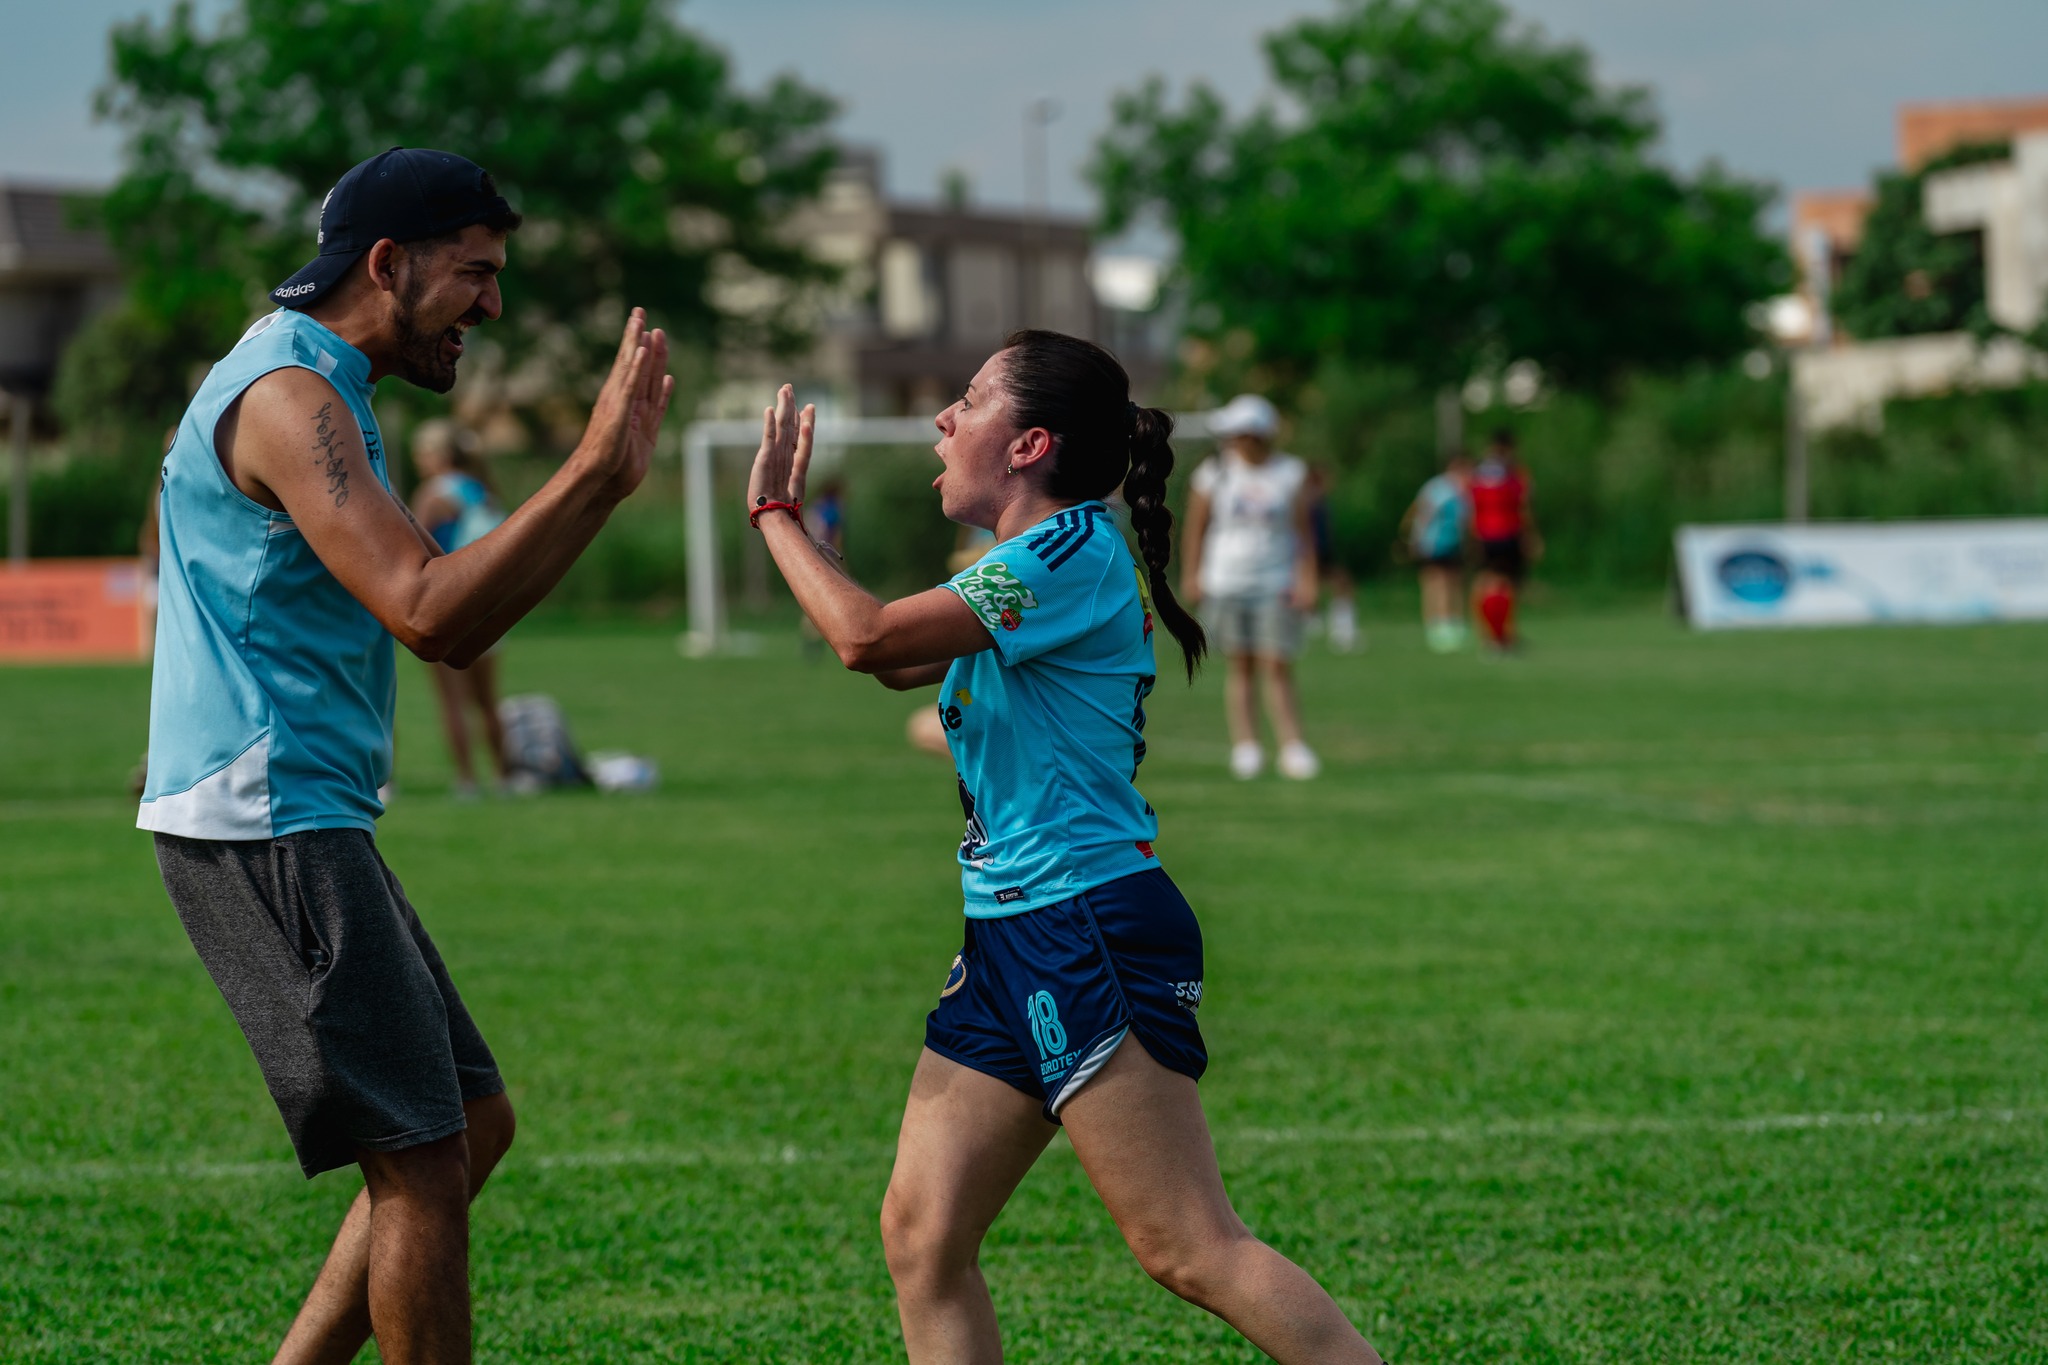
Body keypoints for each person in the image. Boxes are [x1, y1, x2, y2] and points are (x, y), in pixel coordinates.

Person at [743, 333, 1383, 1365]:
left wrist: (775, 516)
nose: (942, 420)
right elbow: (896, 661)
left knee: (1187, 1247)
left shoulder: (1069, 549)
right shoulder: (1028, 561)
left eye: (966, 401)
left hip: (1084, 921)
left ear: (1029, 442)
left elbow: (864, 639)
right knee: (920, 1235)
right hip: (1011, 932)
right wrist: (804, 536)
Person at [136, 147, 672, 1365]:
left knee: (467, 1125)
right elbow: (428, 611)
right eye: (475, 275)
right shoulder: (288, 399)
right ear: (387, 264)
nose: (492, 305)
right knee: (423, 1160)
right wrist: (587, 471)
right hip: (264, 815)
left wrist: (600, 488)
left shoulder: (325, 389)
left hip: (295, 812)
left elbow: (453, 615)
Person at [1179, 394, 1320, 780]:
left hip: (1274, 579)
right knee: (1240, 664)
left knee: (1277, 663)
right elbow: (1196, 528)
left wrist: (1307, 578)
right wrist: (1192, 574)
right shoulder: (1214, 473)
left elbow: (1304, 534)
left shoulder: (1290, 472)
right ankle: (1247, 746)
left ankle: (1292, 746)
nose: (1235, 442)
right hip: (1225, 579)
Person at [409, 421, 510, 799]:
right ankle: (503, 776)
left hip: (450, 605)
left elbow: (413, 544)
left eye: (423, 452)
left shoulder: (434, 494)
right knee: (488, 701)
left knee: (452, 700)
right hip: (487, 607)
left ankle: (467, 780)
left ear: (439, 455)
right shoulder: (483, 492)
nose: (419, 460)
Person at [1468, 428, 1541, 652]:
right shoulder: (1515, 473)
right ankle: (1504, 633)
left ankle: (1486, 635)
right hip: (1508, 532)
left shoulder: (1478, 473)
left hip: (1483, 534)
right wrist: (1532, 536)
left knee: (1484, 583)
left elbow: (1472, 505)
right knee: (1507, 585)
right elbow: (1523, 507)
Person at [1401, 447, 1473, 652]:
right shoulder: (1438, 488)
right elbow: (1423, 515)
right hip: (1434, 542)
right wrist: (1416, 539)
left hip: (1454, 543)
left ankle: (1455, 622)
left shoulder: (1464, 491)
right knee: (1436, 582)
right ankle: (1437, 626)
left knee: (1455, 581)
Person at [1305, 461, 1361, 653]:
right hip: (1312, 553)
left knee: (1341, 584)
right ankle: (1338, 630)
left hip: (1323, 552)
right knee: (1338, 584)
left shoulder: (1320, 501)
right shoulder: (1309, 501)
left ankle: (1339, 628)